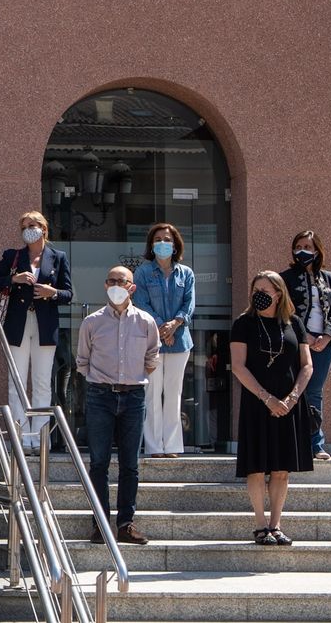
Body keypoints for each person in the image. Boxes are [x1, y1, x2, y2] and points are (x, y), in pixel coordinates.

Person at [76, 265, 158, 545]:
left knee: (130, 464)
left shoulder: (146, 321)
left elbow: (152, 356)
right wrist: (100, 381)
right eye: (110, 280)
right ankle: (100, 524)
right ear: (104, 285)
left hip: (134, 397)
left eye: (121, 281)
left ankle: (125, 524)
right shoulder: (92, 322)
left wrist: (135, 379)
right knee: (99, 463)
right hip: (100, 396)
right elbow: (82, 361)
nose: (115, 284)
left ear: (132, 287)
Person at [231, 271, 313, 546]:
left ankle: (276, 525)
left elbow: (307, 365)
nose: (260, 293)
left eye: (266, 289)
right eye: (256, 289)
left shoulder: (294, 323)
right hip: (258, 403)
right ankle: (260, 525)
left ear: (279, 293)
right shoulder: (244, 323)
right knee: (256, 467)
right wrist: (267, 399)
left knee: (281, 469)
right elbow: (239, 367)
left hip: (289, 404)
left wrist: (290, 399)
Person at [0, 211, 72, 453]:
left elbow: (69, 293)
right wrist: (13, 280)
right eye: (25, 226)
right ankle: (21, 436)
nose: (29, 229)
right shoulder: (13, 256)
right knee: (17, 381)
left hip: (45, 325)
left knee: (43, 382)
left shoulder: (58, 257)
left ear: (44, 228)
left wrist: (51, 292)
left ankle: (40, 438)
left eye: (33, 225)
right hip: (18, 324)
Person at [133, 223, 195, 459]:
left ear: (175, 243)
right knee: (152, 392)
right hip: (151, 340)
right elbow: (141, 303)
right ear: (151, 244)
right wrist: (161, 327)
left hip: (180, 341)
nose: (162, 243)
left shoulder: (186, 273)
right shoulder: (143, 272)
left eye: (167, 239)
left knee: (173, 393)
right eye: (157, 239)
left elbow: (189, 303)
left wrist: (174, 325)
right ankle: (153, 446)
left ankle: (171, 446)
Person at [280, 230, 331, 461]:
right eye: (298, 246)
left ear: (317, 251)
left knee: (314, 391)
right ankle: (290, 441)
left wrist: (326, 336)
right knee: (293, 388)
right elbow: (285, 311)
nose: (302, 250)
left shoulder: (329, 278)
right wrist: (305, 336)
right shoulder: (285, 278)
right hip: (297, 342)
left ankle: (316, 443)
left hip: (325, 344)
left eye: (307, 246)